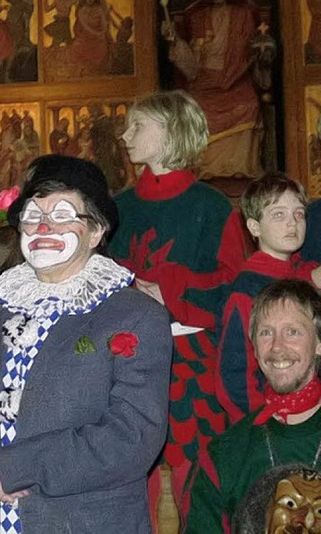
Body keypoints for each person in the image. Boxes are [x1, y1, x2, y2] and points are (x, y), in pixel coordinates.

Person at [0, 155, 173, 533]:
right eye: (33, 215)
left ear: (97, 231)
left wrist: (13, 469)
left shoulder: (136, 316)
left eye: (64, 213)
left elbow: (132, 436)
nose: (45, 225)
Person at [108, 90, 247, 527]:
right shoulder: (117, 208)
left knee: (197, 482)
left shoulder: (211, 206)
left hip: (191, 361)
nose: (125, 134)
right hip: (122, 359)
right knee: (128, 476)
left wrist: (168, 291)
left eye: (137, 126)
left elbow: (234, 286)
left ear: (169, 134)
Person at [182, 279, 321, 533]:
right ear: (254, 349)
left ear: (319, 344)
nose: (277, 347)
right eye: (266, 332)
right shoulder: (223, 456)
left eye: (292, 332)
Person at [216, 173, 321, 423]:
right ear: (254, 227)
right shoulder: (247, 289)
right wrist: (256, 423)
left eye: (299, 214)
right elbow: (233, 374)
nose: (292, 224)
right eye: (279, 215)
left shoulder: (301, 271)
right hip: (268, 417)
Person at [161, 0, 265, 179]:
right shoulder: (196, 15)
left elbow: (251, 50)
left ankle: (239, 168)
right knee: (196, 108)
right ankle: (205, 169)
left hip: (236, 76)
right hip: (203, 80)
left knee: (248, 102)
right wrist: (173, 38)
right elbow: (190, 65)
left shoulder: (244, 13)